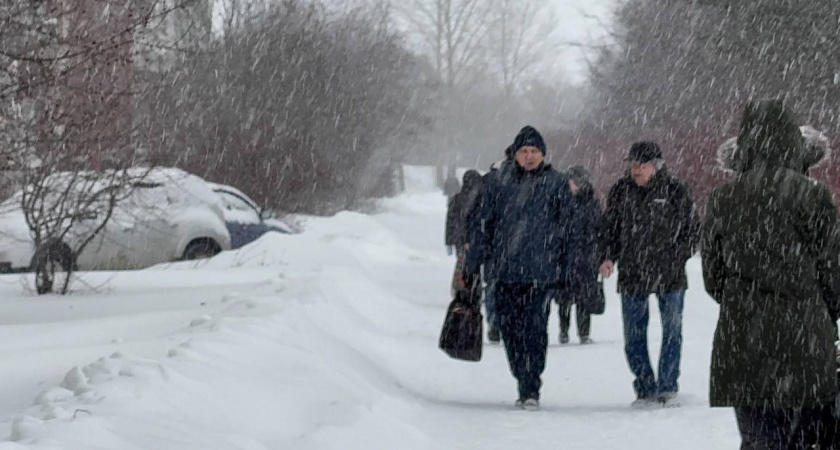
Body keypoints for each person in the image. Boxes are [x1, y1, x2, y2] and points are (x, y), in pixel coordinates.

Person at [702, 99, 840, 449]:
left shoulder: (722, 199)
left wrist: (744, 300)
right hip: (805, 339)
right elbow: (833, 271)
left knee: (758, 439)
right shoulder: (813, 195)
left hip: (743, 339)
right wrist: (823, 314)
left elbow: (712, 277)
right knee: (808, 439)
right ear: (795, 143)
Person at [465, 125, 575, 410]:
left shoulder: (556, 183)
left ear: (543, 154)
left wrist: (568, 269)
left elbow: (570, 229)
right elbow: (481, 224)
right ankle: (521, 376)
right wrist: (473, 264)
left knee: (535, 329)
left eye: (534, 151)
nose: (529, 156)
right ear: (514, 154)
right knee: (510, 331)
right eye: (524, 151)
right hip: (504, 272)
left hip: (541, 273)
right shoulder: (497, 182)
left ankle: (531, 385)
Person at [599, 141, 700, 408]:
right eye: (633, 165)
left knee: (672, 331)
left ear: (656, 166)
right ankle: (644, 387)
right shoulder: (621, 191)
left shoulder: (675, 190)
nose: (637, 170)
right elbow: (609, 229)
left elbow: (692, 230)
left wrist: (678, 255)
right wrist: (607, 257)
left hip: (670, 274)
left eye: (642, 165)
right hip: (632, 272)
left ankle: (667, 386)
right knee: (633, 335)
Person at [556, 165, 602, 345]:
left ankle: (583, 332)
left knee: (584, 297)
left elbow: (598, 229)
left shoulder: (591, 203)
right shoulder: (562, 201)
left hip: (585, 257)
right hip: (566, 256)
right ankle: (564, 330)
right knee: (564, 298)